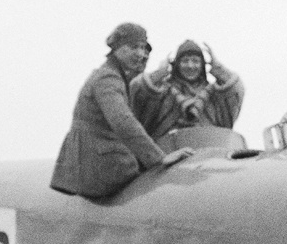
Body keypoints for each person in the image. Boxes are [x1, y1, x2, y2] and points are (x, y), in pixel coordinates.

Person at [50, 23, 191, 200]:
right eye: (133, 47)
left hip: (92, 161)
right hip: (101, 166)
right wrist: (158, 158)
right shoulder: (108, 78)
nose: (141, 54)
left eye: (143, 48)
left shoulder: (111, 75)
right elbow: (122, 122)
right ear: (117, 49)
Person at [129, 39, 244, 140]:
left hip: (210, 155)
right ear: (176, 65)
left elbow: (236, 90)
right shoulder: (163, 93)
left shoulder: (213, 95)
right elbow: (136, 89)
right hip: (168, 156)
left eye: (195, 61)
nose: (190, 66)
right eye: (185, 61)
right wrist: (158, 74)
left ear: (202, 65)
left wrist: (218, 68)